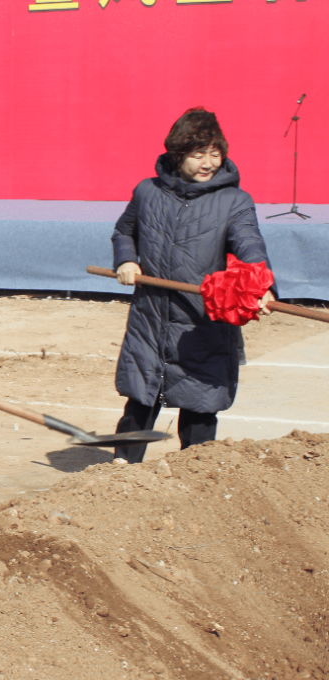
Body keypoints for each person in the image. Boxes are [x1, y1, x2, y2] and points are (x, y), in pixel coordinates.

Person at [110, 108, 273, 464]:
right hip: (151, 317)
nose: (208, 162)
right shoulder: (147, 192)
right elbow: (125, 231)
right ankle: (119, 476)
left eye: (215, 153)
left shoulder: (235, 201)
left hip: (202, 323)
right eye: (198, 154)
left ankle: (199, 484)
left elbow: (250, 246)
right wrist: (126, 259)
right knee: (142, 396)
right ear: (177, 153)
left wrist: (260, 285)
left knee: (200, 407)